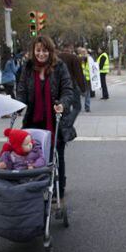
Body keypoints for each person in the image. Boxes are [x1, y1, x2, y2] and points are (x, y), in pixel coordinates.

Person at [17, 35, 73, 200]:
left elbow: (68, 90)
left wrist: (62, 104)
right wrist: (17, 105)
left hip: (55, 120)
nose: (41, 54)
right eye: (38, 50)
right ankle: (37, 186)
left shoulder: (59, 66)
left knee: (57, 155)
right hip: (34, 121)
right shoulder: (27, 67)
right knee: (33, 155)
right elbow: (21, 91)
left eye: (44, 50)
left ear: (50, 51)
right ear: (33, 51)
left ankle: (59, 189)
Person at [58, 43, 86, 128]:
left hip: (59, 86)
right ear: (71, 48)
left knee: (64, 108)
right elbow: (79, 75)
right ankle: (67, 124)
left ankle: (62, 125)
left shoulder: (57, 57)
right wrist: (83, 88)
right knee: (77, 107)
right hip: (71, 86)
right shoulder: (74, 58)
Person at [80, 48, 92, 112]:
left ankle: (87, 107)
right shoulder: (78, 58)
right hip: (80, 78)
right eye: (82, 52)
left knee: (87, 93)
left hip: (87, 78)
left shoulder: (89, 59)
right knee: (80, 93)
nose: (84, 53)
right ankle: (77, 107)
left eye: (84, 51)